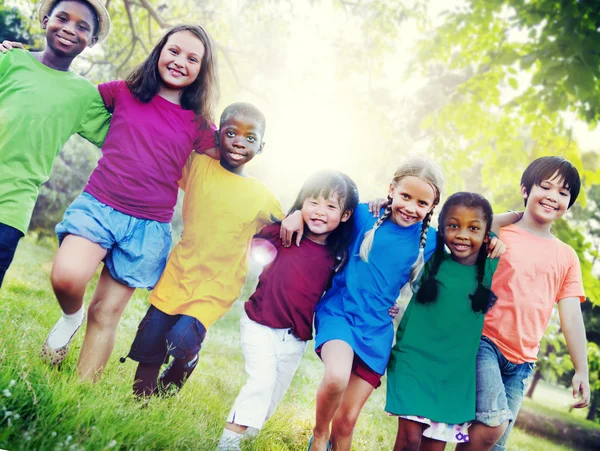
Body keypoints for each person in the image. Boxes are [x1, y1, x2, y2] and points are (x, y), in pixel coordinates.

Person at [41, 24, 220, 381]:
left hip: (147, 226)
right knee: (67, 278)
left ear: (202, 70)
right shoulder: (125, 92)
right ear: (159, 52)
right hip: (99, 205)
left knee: (106, 313)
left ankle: (79, 393)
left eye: (192, 58)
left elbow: (228, 166)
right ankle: (70, 318)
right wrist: (26, 58)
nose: (180, 61)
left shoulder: (199, 124)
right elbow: (73, 96)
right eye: (173, 51)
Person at [126, 102, 284, 398]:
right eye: (232, 133)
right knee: (151, 343)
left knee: (181, 341)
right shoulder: (197, 164)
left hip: (217, 284)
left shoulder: (264, 197)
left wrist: (298, 216)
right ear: (217, 135)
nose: (239, 142)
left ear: (261, 146)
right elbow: (170, 143)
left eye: (251, 138)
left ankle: (187, 362)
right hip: (178, 272)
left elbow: (287, 229)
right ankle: (139, 404)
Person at [216, 170, 359, 451]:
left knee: (271, 395)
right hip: (260, 323)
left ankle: (245, 438)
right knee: (260, 382)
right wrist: (290, 217)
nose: (319, 212)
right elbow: (252, 230)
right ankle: (227, 443)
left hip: (294, 338)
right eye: (313, 202)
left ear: (344, 215)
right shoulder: (284, 233)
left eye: (331, 206)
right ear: (302, 202)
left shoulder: (337, 256)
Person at [457, 156, 590, 451]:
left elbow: (571, 316)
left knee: (493, 444)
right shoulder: (502, 233)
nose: (553, 196)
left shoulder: (567, 257)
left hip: (522, 363)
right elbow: (471, 224)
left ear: (569, 204)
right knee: (493, 422)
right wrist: (512, 215)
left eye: (563, 193)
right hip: (484, 343)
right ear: (525, 189)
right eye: (545, 187)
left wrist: (581, 370)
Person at [0, 0, 111, 288]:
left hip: (12, 204)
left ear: (92, 41)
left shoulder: (85, 96)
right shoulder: (11, 60)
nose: (69, 29)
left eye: (82, 26)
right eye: (62, 18)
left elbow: (124, 137)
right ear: (45, 20)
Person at [386, 192, 500, 451]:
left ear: (485, 235)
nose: (462, 234)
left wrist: (498, 232)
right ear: (442, 228)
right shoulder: (430, 257)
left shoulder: (491, 264)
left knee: (434, 448)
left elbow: (498, 224)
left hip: (455, 378)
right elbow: (401, 221)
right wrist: (383, 202)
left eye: (473, 229)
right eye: (453, 225)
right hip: (415, 363)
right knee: (409, 440)